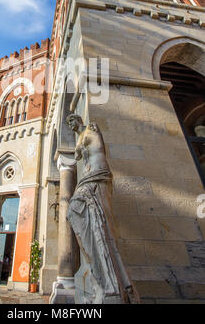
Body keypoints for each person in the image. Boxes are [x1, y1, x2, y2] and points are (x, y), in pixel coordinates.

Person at [66, 114, 138, 304]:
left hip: (98, 175)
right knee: (77, 213)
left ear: (79, 120)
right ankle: (100, 275)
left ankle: (111, 284)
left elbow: (84, 148)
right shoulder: (82, 136)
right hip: (88, 177)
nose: (70, 125)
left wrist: (82, 134)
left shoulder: (90, 130)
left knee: (90, 218)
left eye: (71, 121)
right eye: (68, 123)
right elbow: (77, 154)